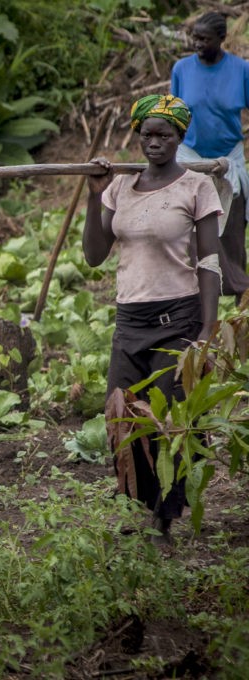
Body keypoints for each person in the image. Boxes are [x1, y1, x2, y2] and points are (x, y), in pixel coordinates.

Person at [83, 94, 222, 545]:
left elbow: (209, 263)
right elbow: (93, 255)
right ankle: (137, 505)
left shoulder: (196, 188)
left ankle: (164, 516)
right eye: (147, 134)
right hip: (129, 322)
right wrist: (92, 195)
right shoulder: (120, 186)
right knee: (122, 419)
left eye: (164, 135)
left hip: (177, 319)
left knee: (169, 421)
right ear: (138, 136)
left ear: (181, 137)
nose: (154, 142)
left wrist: (206, 329)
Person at [171, 11, 249, 297]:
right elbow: (173, 118)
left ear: (222, 39)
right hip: (190, 155)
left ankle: (240, 299)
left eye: (204, 39)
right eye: (195, 37)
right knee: (187, 230)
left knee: (231, 234)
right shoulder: (181, 69)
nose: (197, 43)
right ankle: (192, 296)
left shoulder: (241, 70)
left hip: (228, 159)